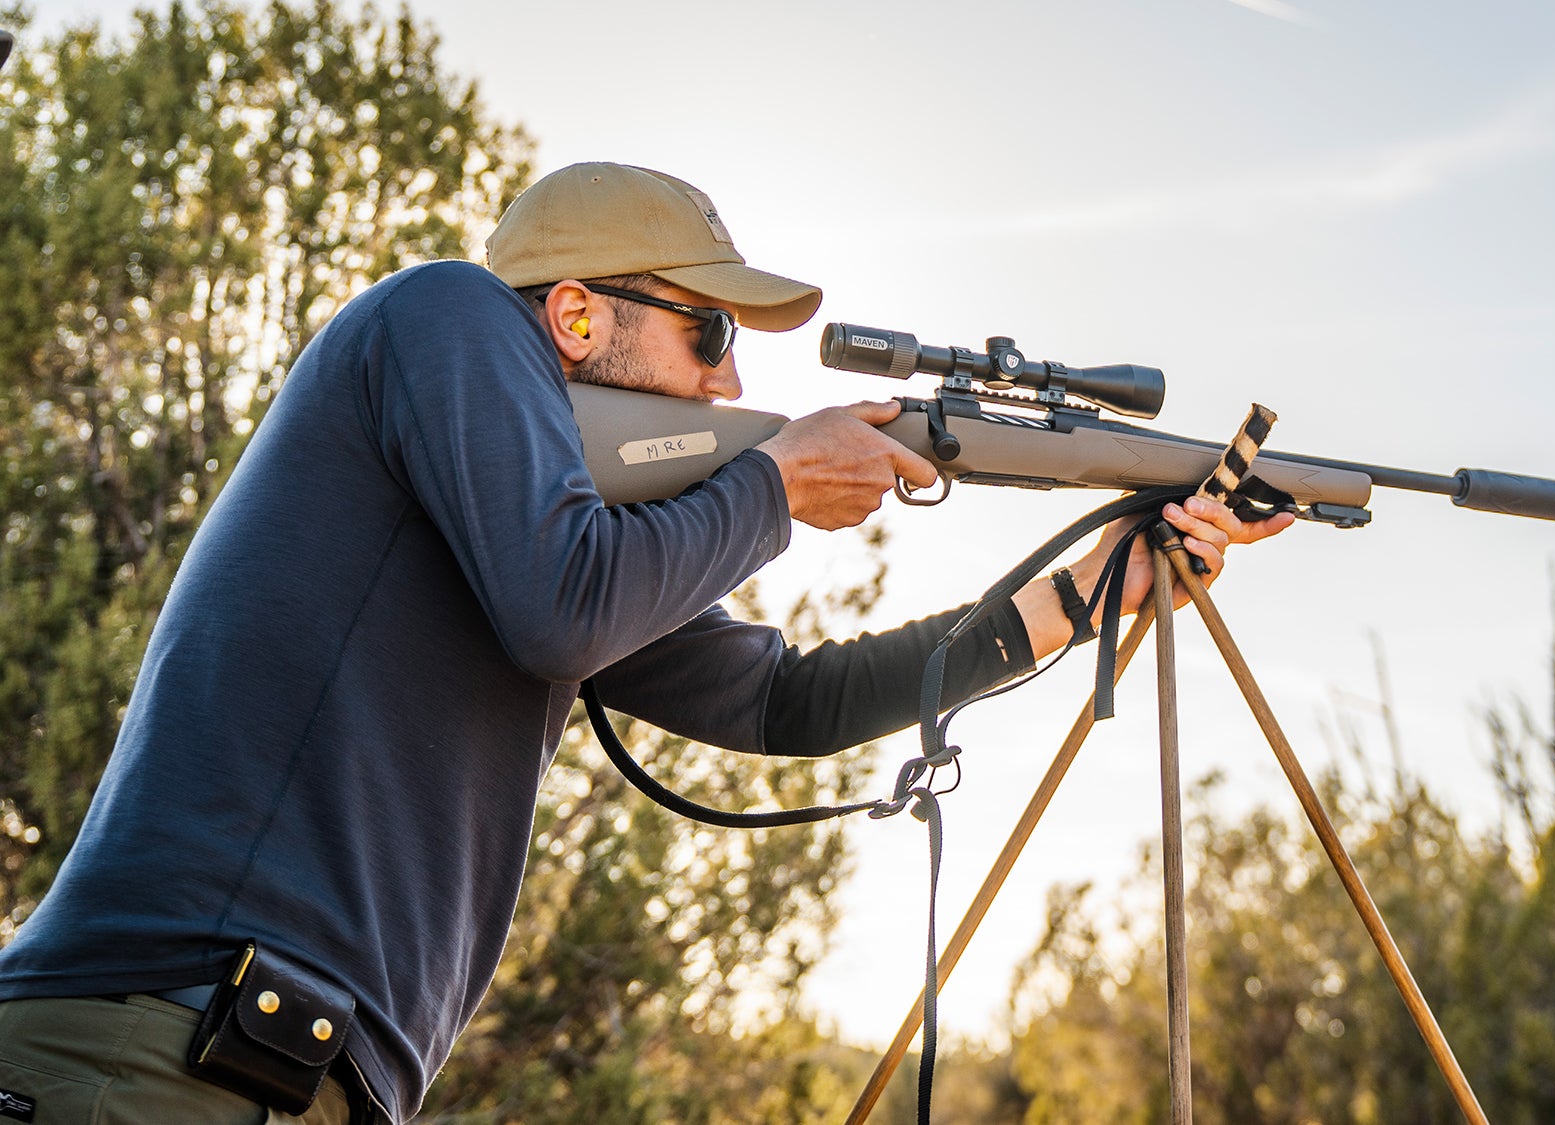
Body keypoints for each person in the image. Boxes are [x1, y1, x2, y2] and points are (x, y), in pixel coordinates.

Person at [0, 162, 1290, 1123]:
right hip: (164, 1053)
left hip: (262, 1072)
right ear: (573, 319)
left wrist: (1094, 594)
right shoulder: (448, 316)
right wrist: (774, 487)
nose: (731, 384)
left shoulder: (559, 546)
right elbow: (564, 606)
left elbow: (785, 703)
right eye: (708, 334)